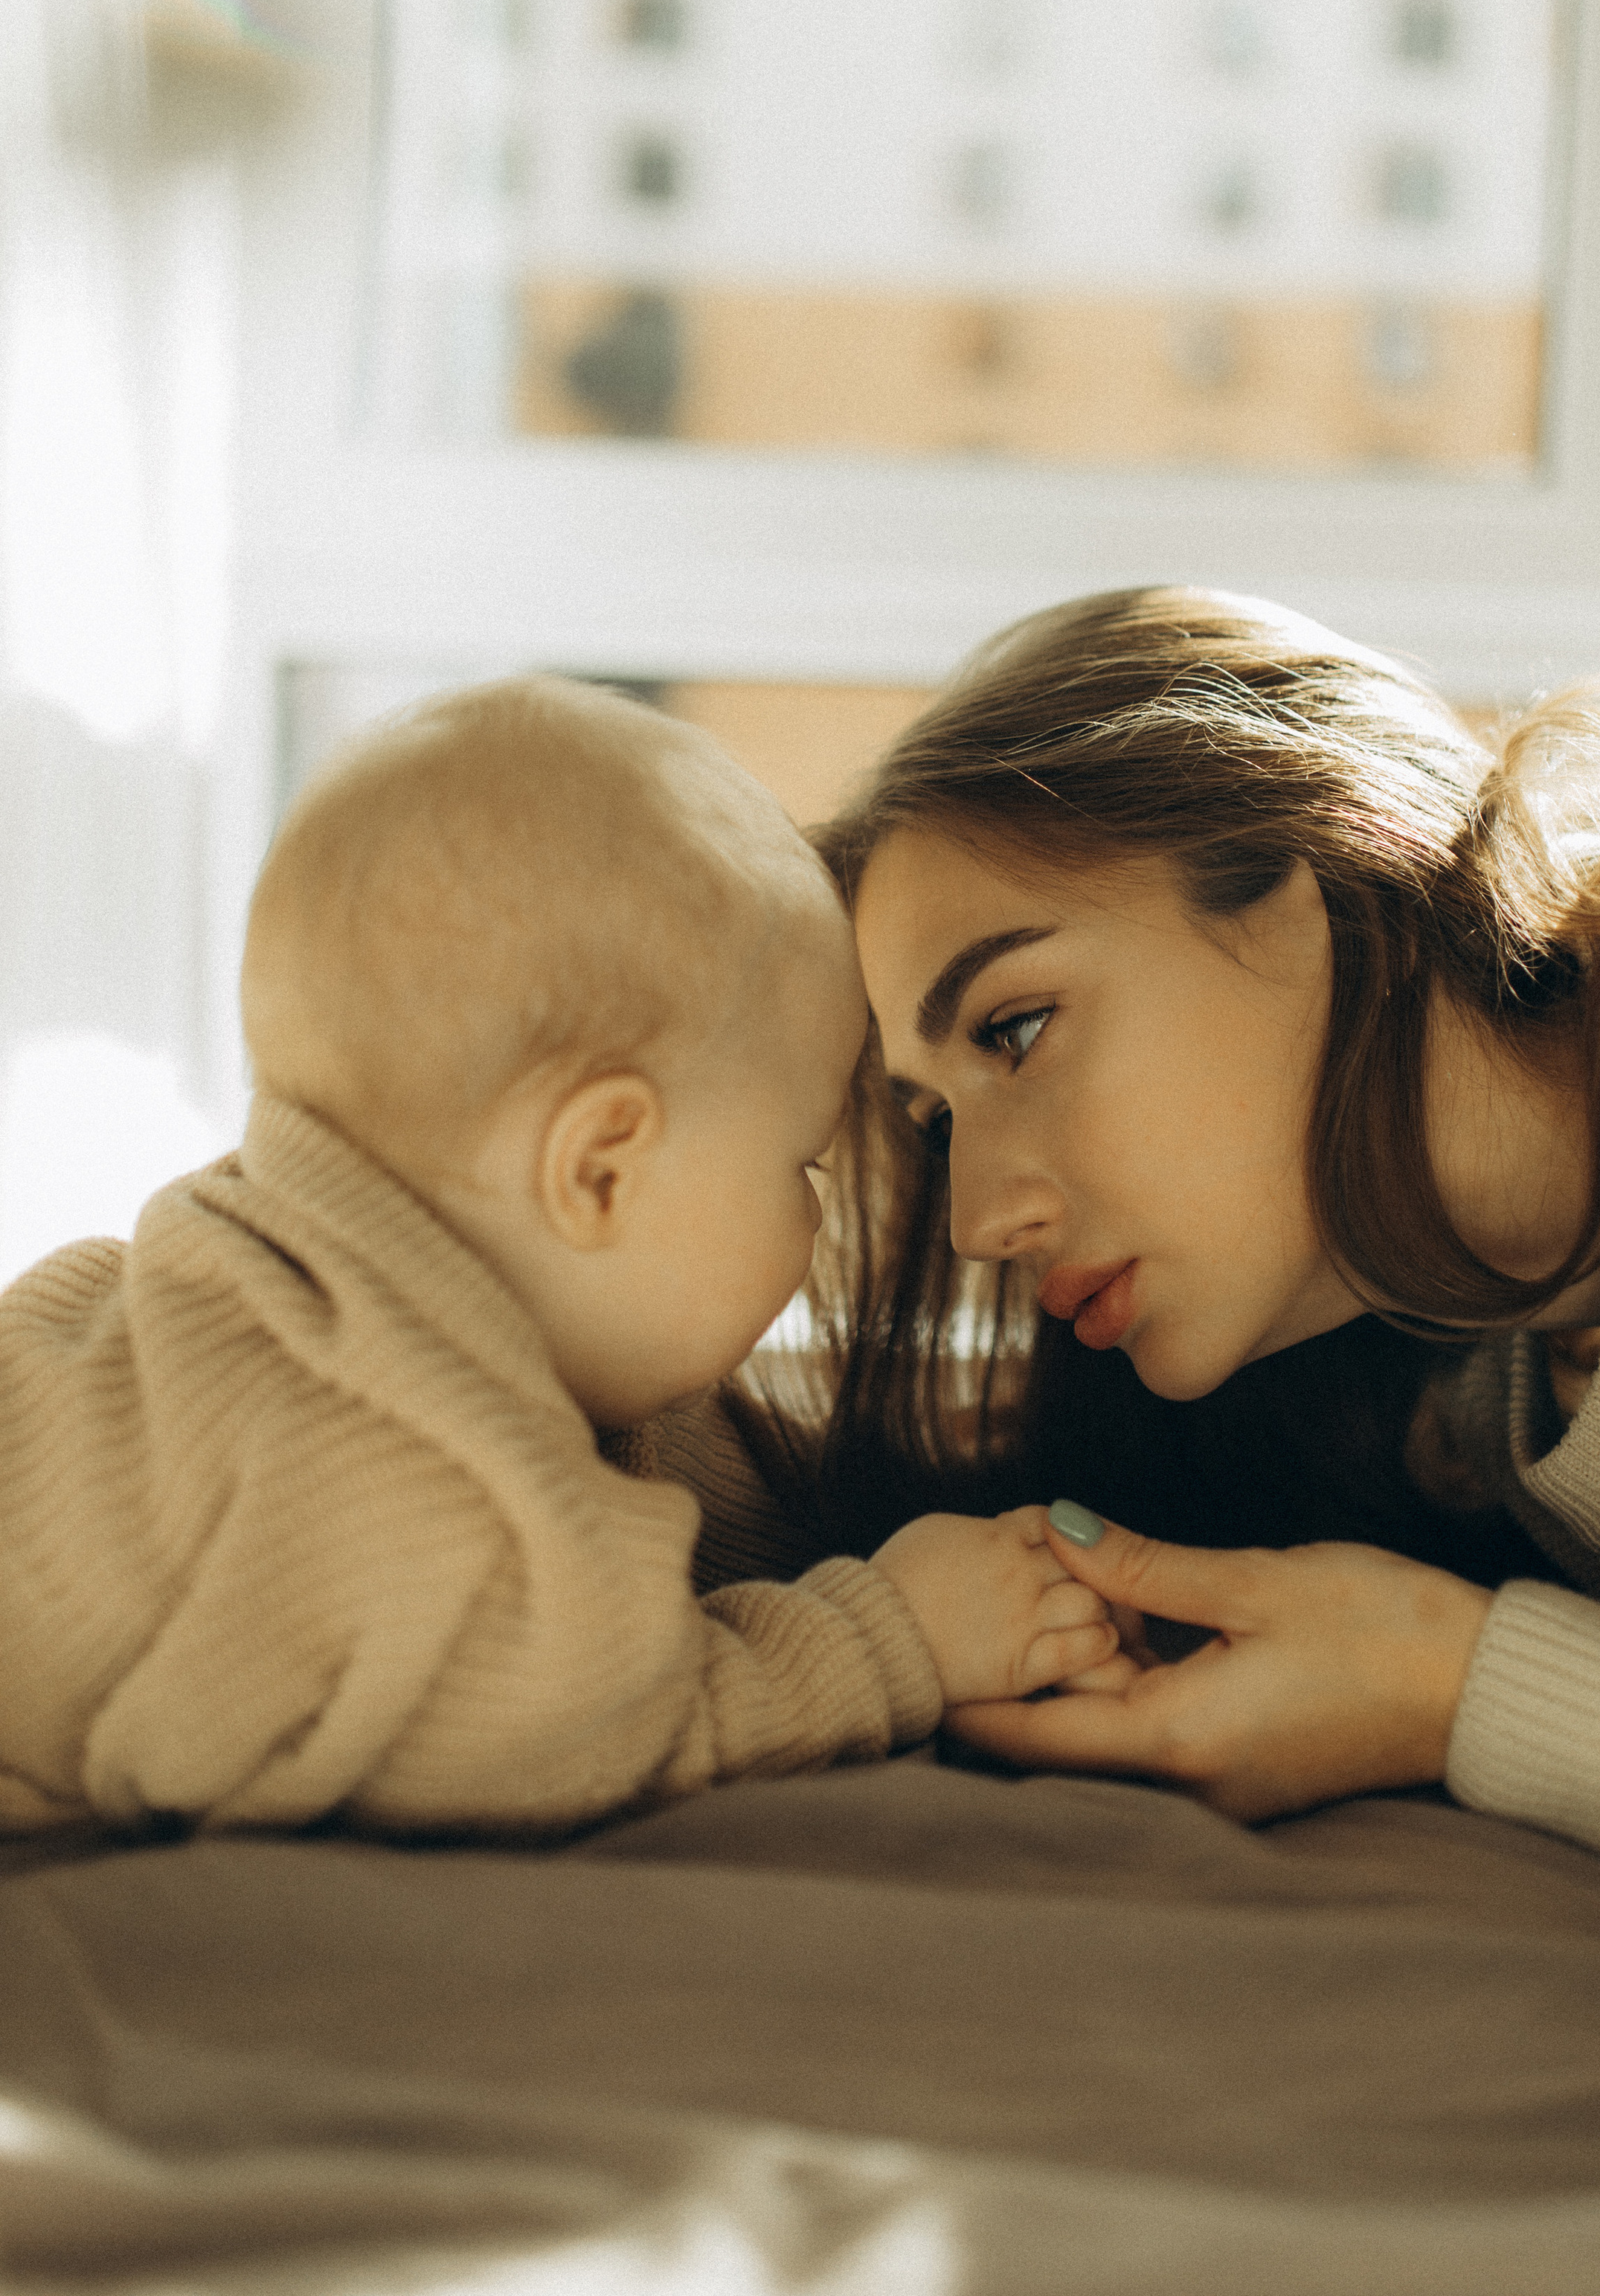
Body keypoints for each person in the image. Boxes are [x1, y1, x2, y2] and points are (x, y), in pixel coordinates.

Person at [727, 584, 1600, 1976]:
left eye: (1019, 1027)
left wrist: (1460, 1690)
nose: (979, 1217)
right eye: (934, 1125)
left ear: (1306, 876)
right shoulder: (1463, 1352)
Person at [0, 678, 1118, 1839]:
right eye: (807, 1168)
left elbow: (681, 1478)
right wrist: (894, 1633)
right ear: (598, 1169)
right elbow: (604, 1739)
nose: (819, 1226)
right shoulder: (413, 1488)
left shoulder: (286, 1294)